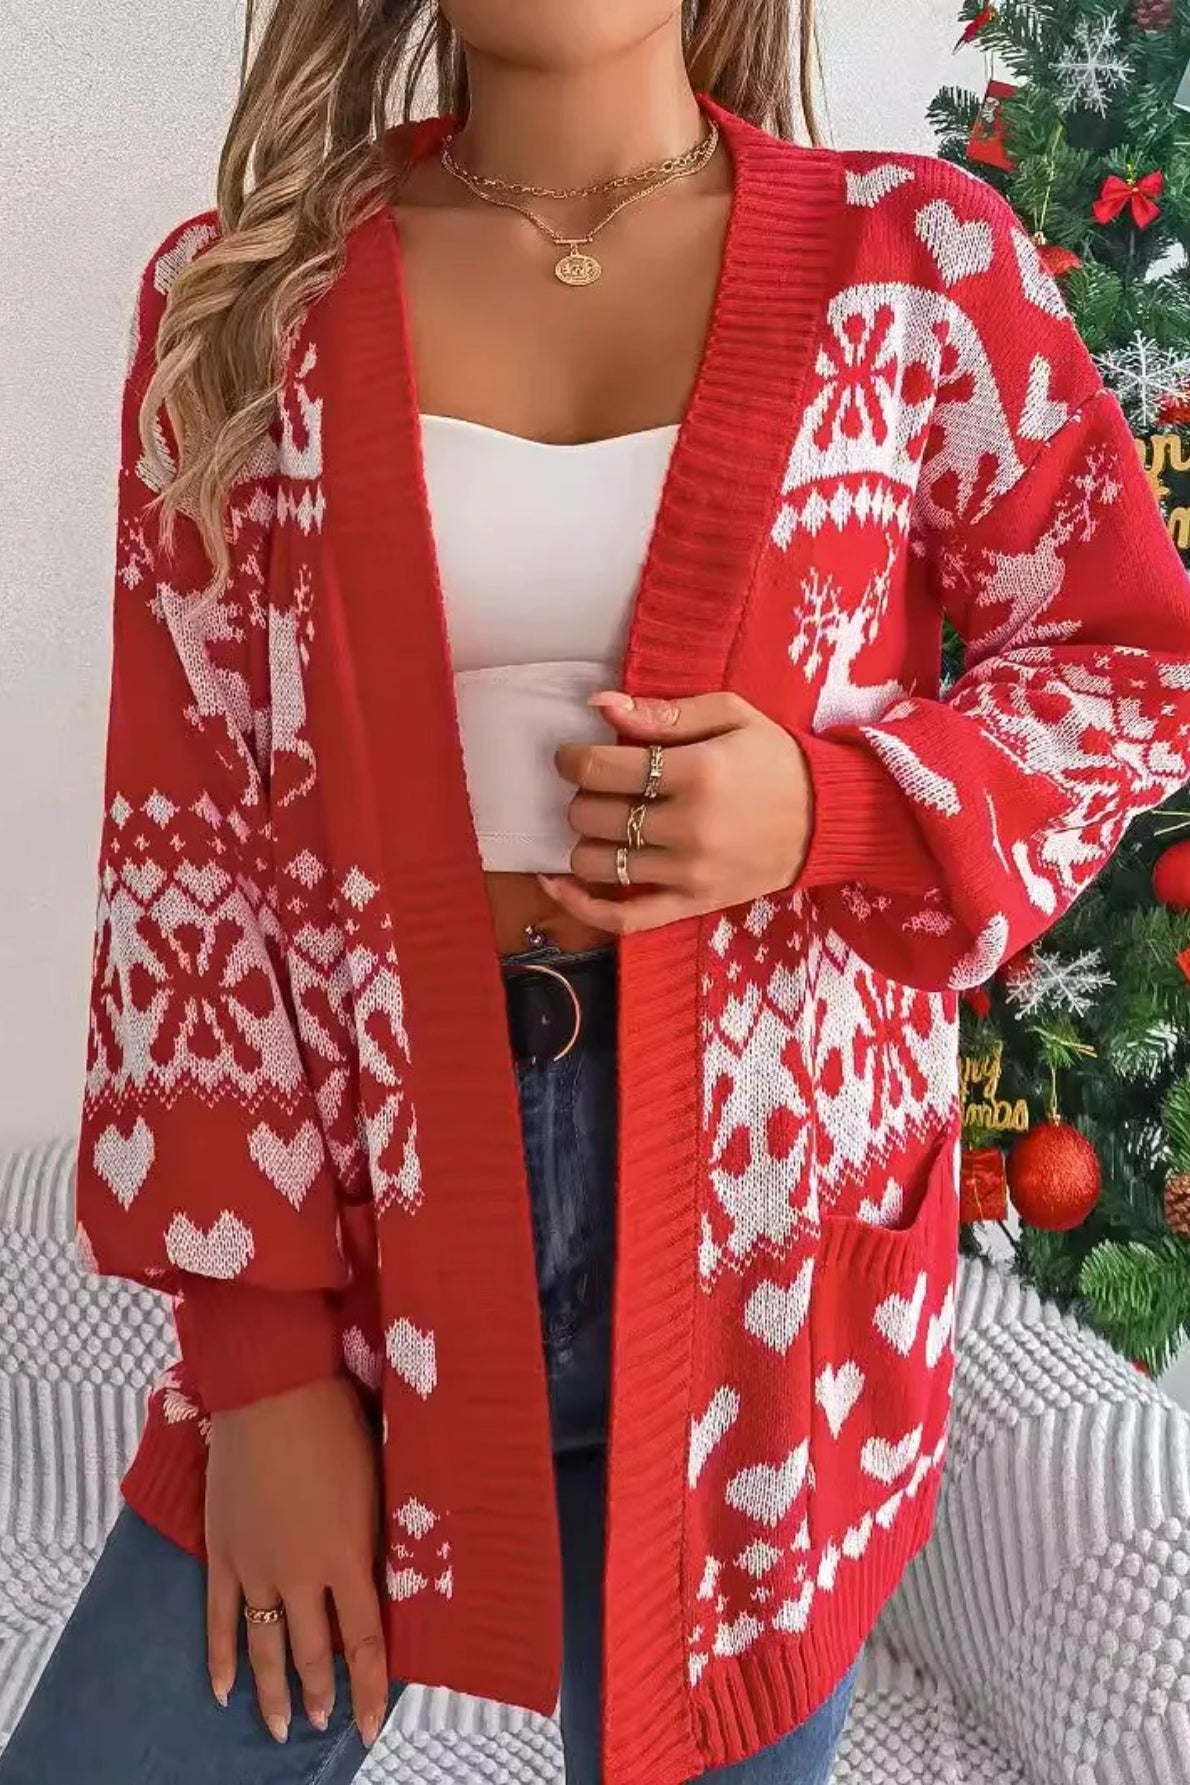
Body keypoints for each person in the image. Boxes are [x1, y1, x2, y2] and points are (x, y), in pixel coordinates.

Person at [6, 1, 1190, 1782]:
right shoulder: (242, 305)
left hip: (765, 1294)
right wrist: (257, 1373)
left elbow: (1122, 662)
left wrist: (831, 807)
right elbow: (191, 842)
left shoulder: (916, 267)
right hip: (374, 1245)